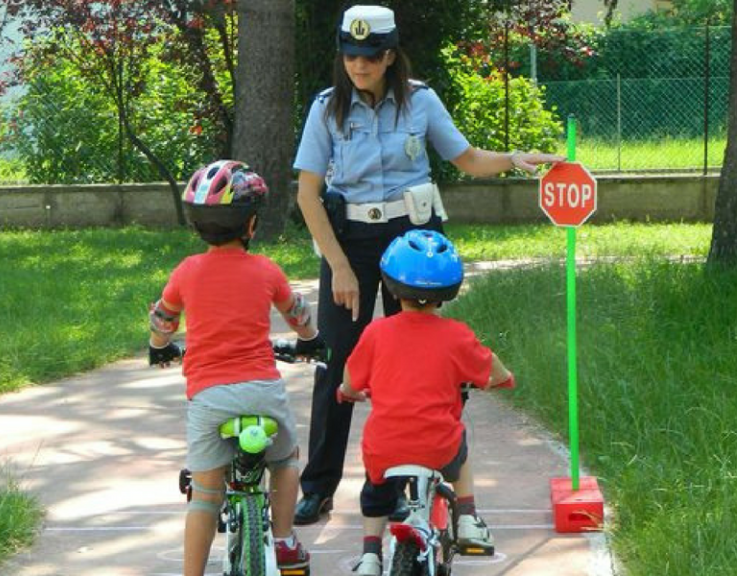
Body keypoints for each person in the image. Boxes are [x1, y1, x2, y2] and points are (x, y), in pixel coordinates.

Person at [292, 4, 560, 524]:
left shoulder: (421, 101)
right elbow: (307, 195)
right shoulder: (327, 108)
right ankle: (319, 486)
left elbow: (466, 158)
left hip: (413, 241)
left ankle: (420, 471)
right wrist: (339, 267)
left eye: (369, 57)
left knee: (418, 355)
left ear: (390, 55)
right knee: (337, 362)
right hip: (350, 241)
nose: (358, 66)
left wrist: (513, 159)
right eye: (350, 55)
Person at [148, 160, 324, 576]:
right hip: (262, 388)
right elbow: (299, 316)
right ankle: (282, 540)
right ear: (251, 225)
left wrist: (159, 347)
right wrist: (310, 341)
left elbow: (163, 320)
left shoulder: (187, 271)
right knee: (285, 462)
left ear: (198, 226)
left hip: (209, 396)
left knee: (205, 495)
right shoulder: (266, 270)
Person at [337, 229, 515, 576]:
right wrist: (503, 379)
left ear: (391, 284)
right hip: (437, 446)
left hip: (384, 447)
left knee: (375, 491)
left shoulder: (376, 333)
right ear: (448, 289)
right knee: (459, 442)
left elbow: (349, 379)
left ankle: (370, 556)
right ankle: (466, 518)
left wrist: (348, 391)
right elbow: (491, 365)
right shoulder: (457, 335)